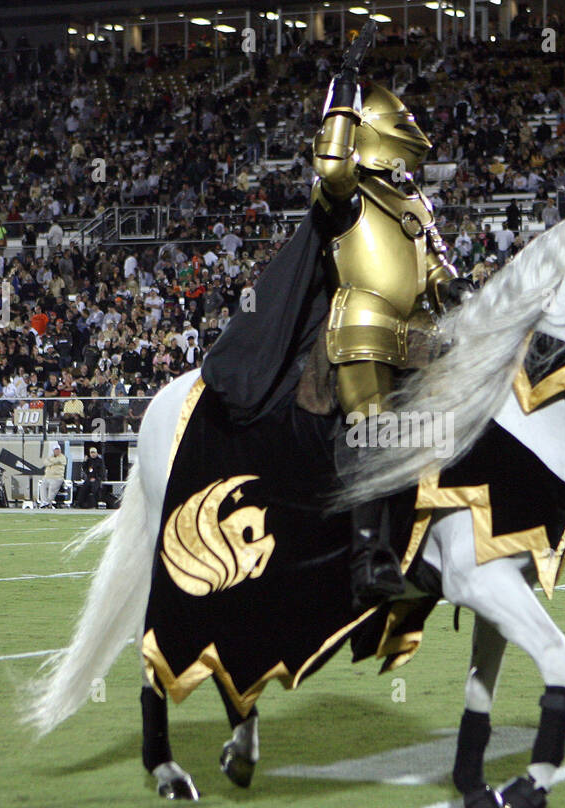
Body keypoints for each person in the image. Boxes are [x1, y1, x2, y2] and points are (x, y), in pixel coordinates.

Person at [203, 68, 470, 611]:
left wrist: (456, 289)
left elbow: (434, 267)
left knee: (445, 425)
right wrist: (342, 99)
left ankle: (423, 547)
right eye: (402, 121)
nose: (412, 130)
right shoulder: (347, 194)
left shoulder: (414, 201)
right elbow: (330, 164)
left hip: (417, 329)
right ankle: (367, 556)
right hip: (361, 322)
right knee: (371, 425)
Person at [40, 443, 67, 508]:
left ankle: (49, 503)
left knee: (52, 489)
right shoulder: (50, 457)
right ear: (53, 450)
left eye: (58, 449)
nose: (57, 451)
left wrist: (50, 462)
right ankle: (44, 502)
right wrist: (52, 462)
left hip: (57, 477)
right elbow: (45, 462)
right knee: (42, 486)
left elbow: (57, 461)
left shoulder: (62, 457)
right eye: (56, 450)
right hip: (47, 476)